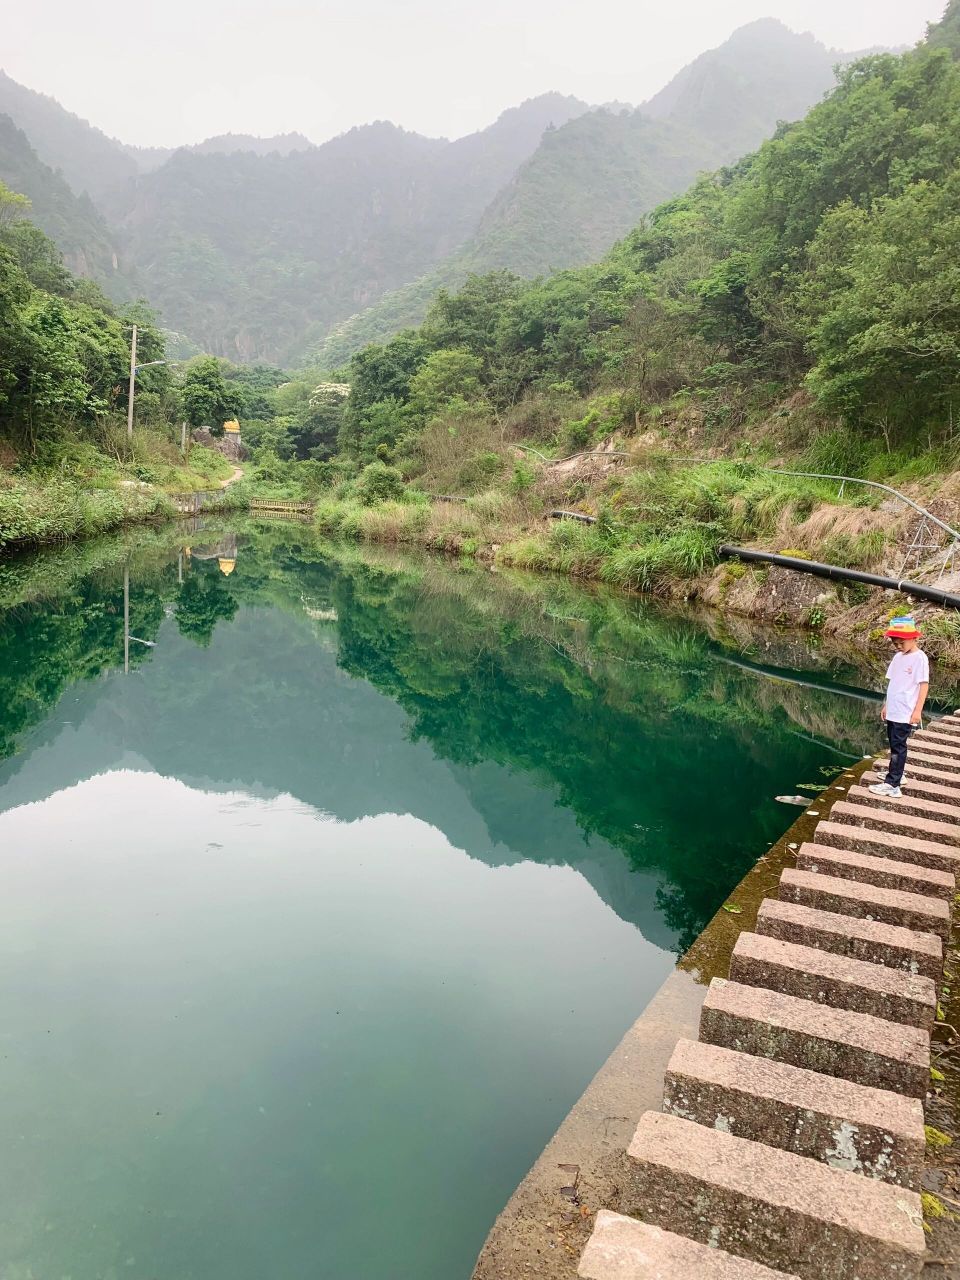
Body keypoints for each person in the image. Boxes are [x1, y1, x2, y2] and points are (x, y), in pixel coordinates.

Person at [869, 615, 929, 799]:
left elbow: (923, 685)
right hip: (894, 709)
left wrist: (917, 710)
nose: (898, 645)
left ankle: (892, 784)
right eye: (895, 642)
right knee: (893, 743)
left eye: (901, 642)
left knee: (898, 746)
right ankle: (898, 774)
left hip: (906, 711)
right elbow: (893, 683)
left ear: (914, 638)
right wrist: (886, 705)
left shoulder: (920, 658)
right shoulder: (897, 658)